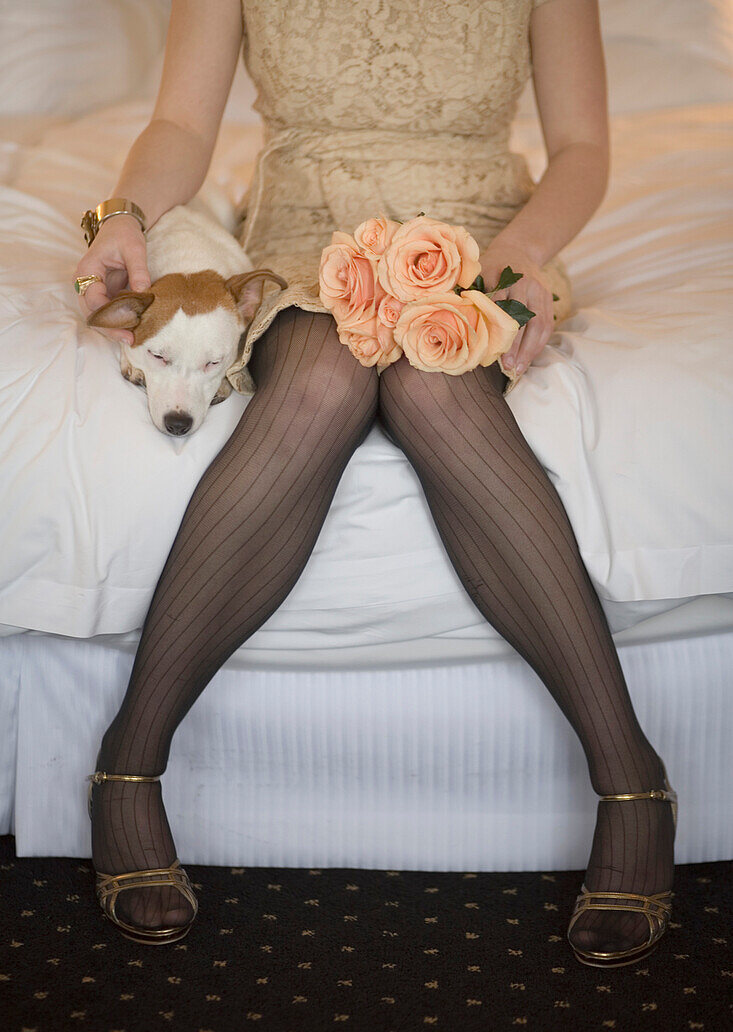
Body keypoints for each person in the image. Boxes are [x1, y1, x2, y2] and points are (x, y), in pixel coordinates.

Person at [74, 0, 677, 966]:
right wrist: (126, 215)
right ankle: (130, 763)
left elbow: (580, 149)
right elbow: (182, 126)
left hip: (486, 239)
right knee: (320, 378)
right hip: (312, 234)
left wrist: (516, 265)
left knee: (432, 386)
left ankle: (630, 777)